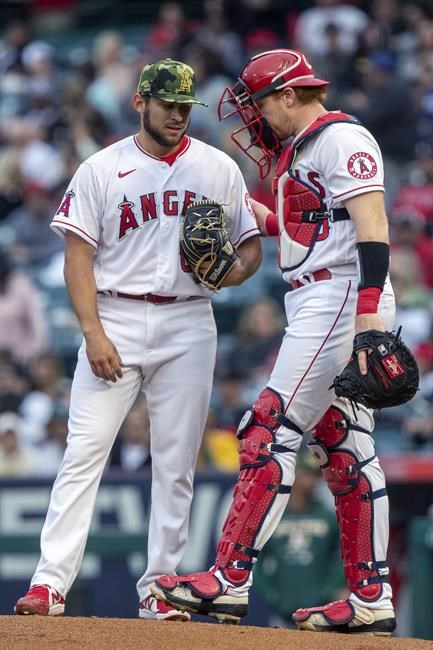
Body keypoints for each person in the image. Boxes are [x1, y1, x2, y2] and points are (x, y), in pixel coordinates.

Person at [151, 49, 397, 636]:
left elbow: (373, 223)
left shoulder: (341, 138)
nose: (253, 118)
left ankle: (229, 580)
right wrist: (252, 216)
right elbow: (315, 223)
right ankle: (372, 598)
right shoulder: (306, 149)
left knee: (268, 429)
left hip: (339, 296)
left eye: (258, 103)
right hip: (319, 293)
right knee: (343, 444)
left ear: (289, 94)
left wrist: (366, 317)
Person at [14, 58, 261, 620]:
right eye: (168, 104)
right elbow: (77, 258)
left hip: (188, 320)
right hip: (115, 316)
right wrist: (93, 333)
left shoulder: (218, 168)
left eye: (185, 106)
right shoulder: (101, 169)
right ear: (140, 103)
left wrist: (230, 272)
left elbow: (249, 251)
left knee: (176, 463)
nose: (178, 115)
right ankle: (50, 584)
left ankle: (160, 589)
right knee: (84, 452)